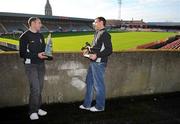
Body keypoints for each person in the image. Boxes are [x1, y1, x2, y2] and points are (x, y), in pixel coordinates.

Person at [79, 17, 113, 112]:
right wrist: (88, 49)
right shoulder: (97, 33)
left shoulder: (105, 34)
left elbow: (109, 50)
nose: (94, 23)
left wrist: (97, 55)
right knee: (89, 82)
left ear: (101, 22)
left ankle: (100, 107)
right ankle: (87, 105)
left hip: (99, 63)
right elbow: (97, 47)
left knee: (99, 85)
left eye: (95, 22)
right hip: (93, 62)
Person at [19, 17, 48, 120]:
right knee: (35, 88)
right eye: (39, 23)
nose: (41, 25)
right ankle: (32, 111)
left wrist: (47, 53)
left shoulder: (41, 35)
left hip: (41, 64)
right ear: (33, 23)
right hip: (30, 65)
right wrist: (37, 55)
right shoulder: (24, 36)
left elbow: (43, 50)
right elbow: (22, 53)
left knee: (39, 88)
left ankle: (38, 108)